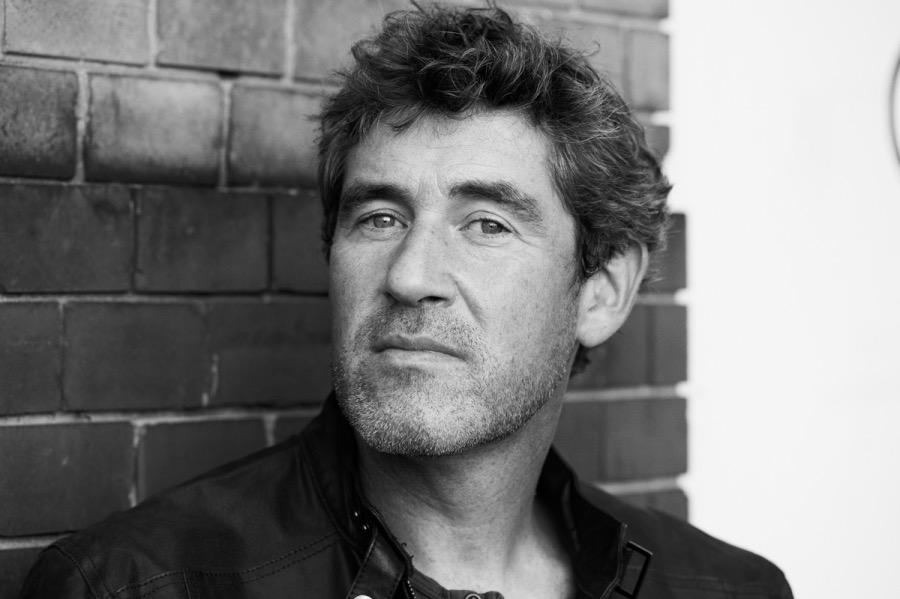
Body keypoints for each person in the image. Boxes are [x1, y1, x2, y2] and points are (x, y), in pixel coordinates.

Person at [20, 4, 792, 598]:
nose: (410, 275)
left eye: (486, 223)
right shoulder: (135, 585)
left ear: (602, 290)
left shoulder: (727, 589)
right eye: (380, 218)